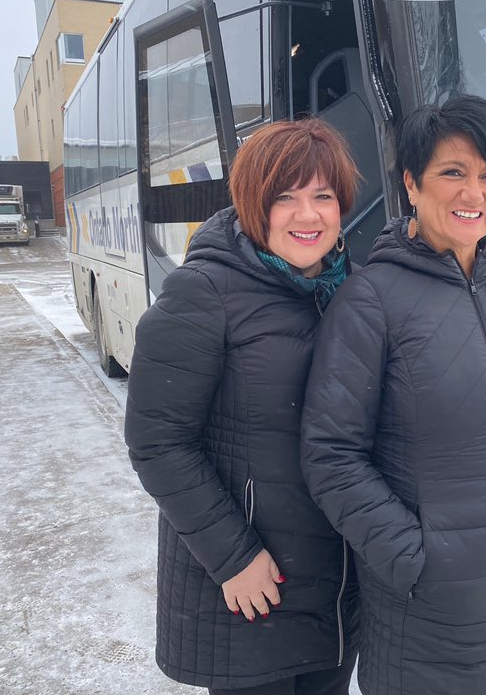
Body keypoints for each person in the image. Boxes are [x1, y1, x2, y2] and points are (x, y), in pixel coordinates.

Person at [300, 95, 486, 695]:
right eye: (453, 173)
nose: (474, 193)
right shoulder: (370, 301)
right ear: (411, 184)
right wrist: (413, 558)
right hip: (432, 628)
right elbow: (331, 455)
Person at [124, 118, 360, 695]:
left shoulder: (349, 290)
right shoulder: (203, 291)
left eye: (322, 196)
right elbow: (158, 442)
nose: (308, 216)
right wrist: (233, 556)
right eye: (286, 198)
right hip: (252, 590)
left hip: (333, 589)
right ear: (255, 204)